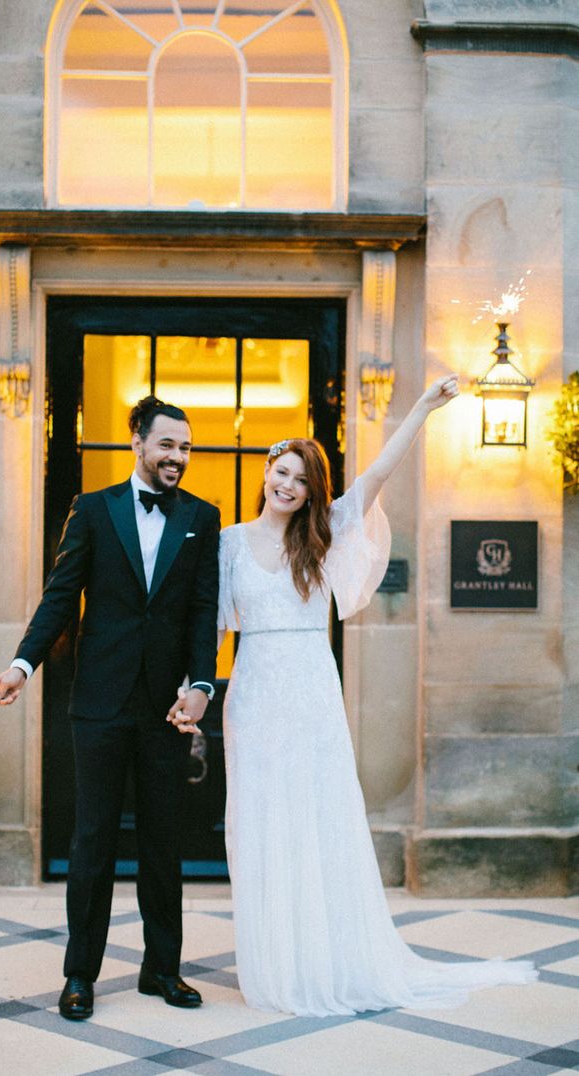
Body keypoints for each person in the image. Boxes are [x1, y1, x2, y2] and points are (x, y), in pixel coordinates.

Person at [170, 375, 537, 1017]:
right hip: (254, 695)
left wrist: (422, 407)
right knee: (259, 826)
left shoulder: (326, 535)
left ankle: (327, 959)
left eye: (302, 479)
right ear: (266, 471)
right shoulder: (227, 544)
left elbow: (377, 474)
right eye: (282, 473)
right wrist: (189, 690)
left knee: (318, 821)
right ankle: (277, 965)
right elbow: (202, 629)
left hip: (311, 691)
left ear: (313, 490)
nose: (288, 486)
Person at [0, 396, 220, 1019]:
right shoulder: (92, 510)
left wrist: (202, 685)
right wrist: (21, 665)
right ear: (137, 442)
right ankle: (80, 975)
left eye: (187, 448)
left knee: (163, 842)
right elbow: (60, 597)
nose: (178, 458)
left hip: (167, 708)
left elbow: (203, 610)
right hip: (100, 704)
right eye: (168, 445)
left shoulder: (203, 517)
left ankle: (162, 970)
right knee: (91, 841)